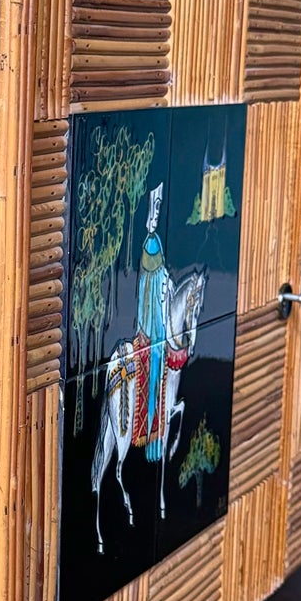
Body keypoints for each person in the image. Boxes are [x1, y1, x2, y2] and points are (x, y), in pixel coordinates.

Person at [136, 183, 169, 460]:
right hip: (151, 319)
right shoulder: (150, 244)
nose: (157, 215)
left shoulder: (155, 242)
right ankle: (149, 423)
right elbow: (150, 282)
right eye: (155, 209)